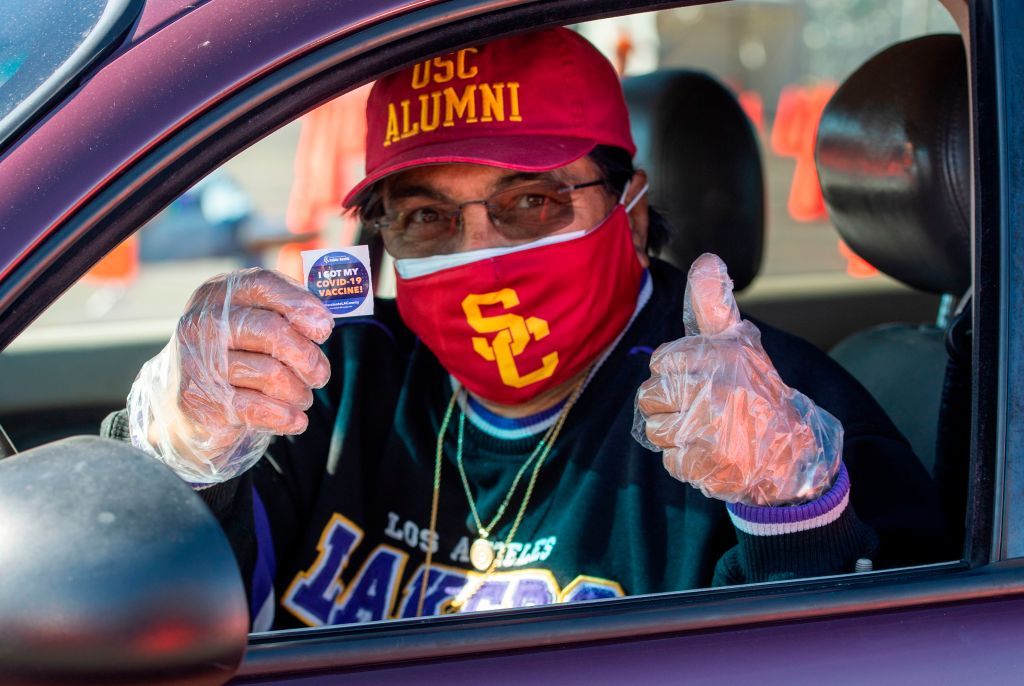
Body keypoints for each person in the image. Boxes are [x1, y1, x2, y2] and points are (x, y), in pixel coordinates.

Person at [102, 27, 948, 631]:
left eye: (530, 203)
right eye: (427, 216)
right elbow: (146, 611)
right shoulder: (325, 381)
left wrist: (791, 514)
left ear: (630, 201)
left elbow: (909, 648)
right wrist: (175, 452)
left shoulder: (764, 417)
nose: (479, 253)